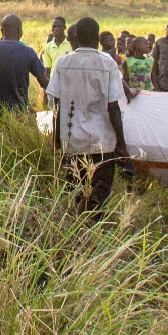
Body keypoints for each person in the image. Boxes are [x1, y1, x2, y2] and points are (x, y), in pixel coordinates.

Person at [47, 16, 127, 212]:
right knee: (99, 193)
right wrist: (122, 144)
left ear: (74, 37)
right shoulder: (107, 64)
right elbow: (113, 108)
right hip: (102, 143)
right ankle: (94, 228)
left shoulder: (62, 63)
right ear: (96, 40)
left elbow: (56, 104)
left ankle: (77, 231)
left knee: (76, 192)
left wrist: (57, 138)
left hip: (72, 141)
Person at [0, 14, 49, 111]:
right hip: (19, 112)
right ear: (20, 30)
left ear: (2, 31)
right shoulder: (28, 52)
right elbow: (44, 82)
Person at [40, 16, 72, 107]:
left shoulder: (71, 43)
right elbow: (47, 70)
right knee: (54, 113)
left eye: (59, 26)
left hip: (69, 85)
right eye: (54, 27)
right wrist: (45, 93)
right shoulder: (49, 46)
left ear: (65, 28)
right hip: (54, 86)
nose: (56, 29)